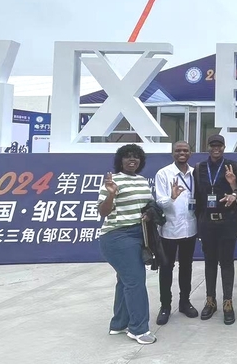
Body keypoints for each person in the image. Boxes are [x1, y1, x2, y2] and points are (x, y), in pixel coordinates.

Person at [97, 144, 156, 345]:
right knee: (135, 281)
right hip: (117, 235)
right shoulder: (113, 181)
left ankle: (119, 324)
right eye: (127, 156)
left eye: (136, 156)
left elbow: (147, 206)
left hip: (139, 234)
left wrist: (150, 213)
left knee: (125, 281)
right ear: (120, 160)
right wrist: (111, 194)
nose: (132, 160)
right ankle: (139, 329)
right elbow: (103, 212)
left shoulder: (142, 181)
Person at [194, 134, 237, 325]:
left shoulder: (232, 165)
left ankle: (228, 302)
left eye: (219, 145)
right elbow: (197, 196)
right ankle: (210, 301)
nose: (216, 148)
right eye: (212, 145)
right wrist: (199, 223)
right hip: (207, 223)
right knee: (209, 263)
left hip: (227, 222)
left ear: (224, 147)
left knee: (226, 262)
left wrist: (235, 193)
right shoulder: (200, 168)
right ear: (208, 147)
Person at [153, 141, 199, 326]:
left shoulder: (196, 173)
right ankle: (165, 306)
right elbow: (160, 202)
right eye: (178, 150)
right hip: (169, 229)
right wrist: (171, 197)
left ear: (191, 153)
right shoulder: (163, 173)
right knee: (166, 268)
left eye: (185, 150)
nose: (182, 153)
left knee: (186, 267)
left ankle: (184, 302)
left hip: (190, 228)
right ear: (173, 153)